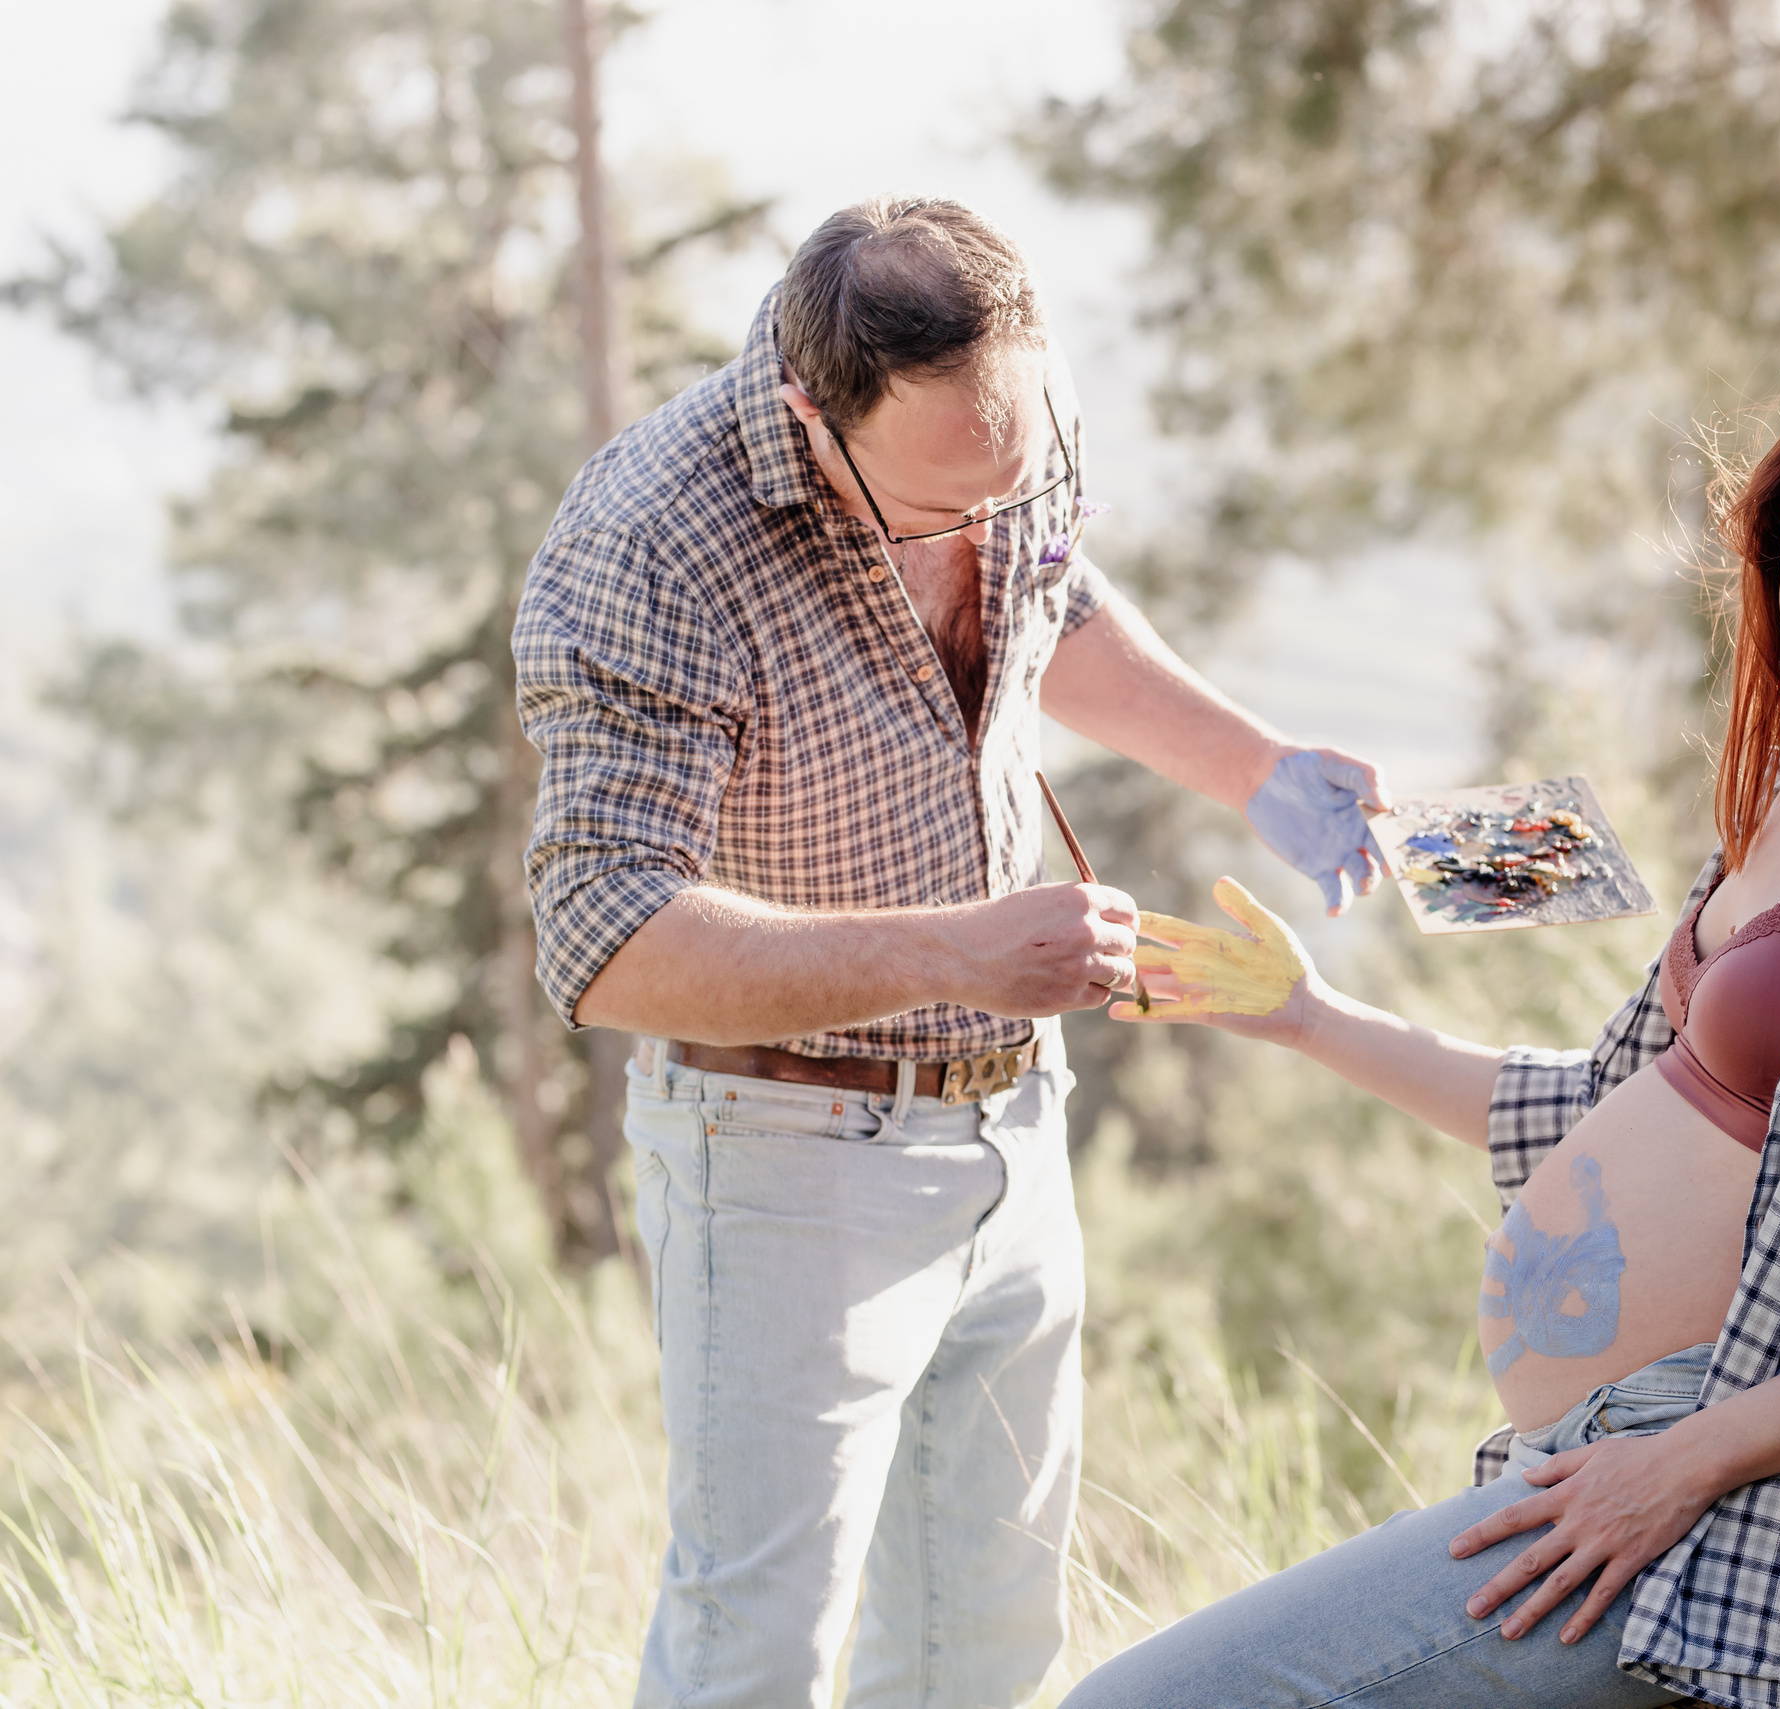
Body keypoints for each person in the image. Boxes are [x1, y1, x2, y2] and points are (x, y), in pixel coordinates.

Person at [1070, 322, 1780, 1708]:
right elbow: (1594, 1109)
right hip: (1603, 1461)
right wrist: (1307, 1016)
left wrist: (1673, 1466)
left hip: (1725, 1504)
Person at [512, 196, 1390, 1709]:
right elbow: (605, 937)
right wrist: (956, 954)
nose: (985, 526)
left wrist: (1256, 767)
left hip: (1016, 1127)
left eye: (1014, 482)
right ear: (815, 414)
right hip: (782, 1150)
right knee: (754, 1655)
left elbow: (1057, 599)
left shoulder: (999, 423)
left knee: (984, 1653)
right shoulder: (649, 541)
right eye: (935, 510)